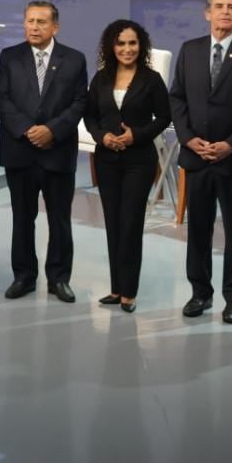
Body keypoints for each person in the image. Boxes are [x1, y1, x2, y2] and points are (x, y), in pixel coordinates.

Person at [169, 0, 232, 324]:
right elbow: (177, 99)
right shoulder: (190, 50)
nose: (224, 12)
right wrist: (188, 139)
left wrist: (231, 144)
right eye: (218, 6)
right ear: (207, 13)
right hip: (196, 157)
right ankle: (200, 293)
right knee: (197, 229)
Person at [0, 1, 88, 302]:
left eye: (41, 22)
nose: (34, 27)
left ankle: (58, 279)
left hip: (57, 152)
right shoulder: (10, 56)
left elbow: (79, 103)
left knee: (59, 219)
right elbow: (1, 100)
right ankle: (24, 277)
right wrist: (27, 130)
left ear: (55, 27)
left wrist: (52, 130)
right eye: (30, 21)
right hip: (20, 151)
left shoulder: (74, 59)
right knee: (22, 218)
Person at [84, 19, 171, 314]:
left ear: (141, 45)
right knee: (113, 223)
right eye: (121, 43)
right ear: (112, 46)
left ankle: (129, 292)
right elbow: (90, 116)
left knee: (130, 225)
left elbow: (164, 117)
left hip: (139, 161)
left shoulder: (151, 78)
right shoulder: (101, 78)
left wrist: (137, 133)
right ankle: (116, 288)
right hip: (107, 159)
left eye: (132, 43)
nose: (127, 49)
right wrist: (102, 136)